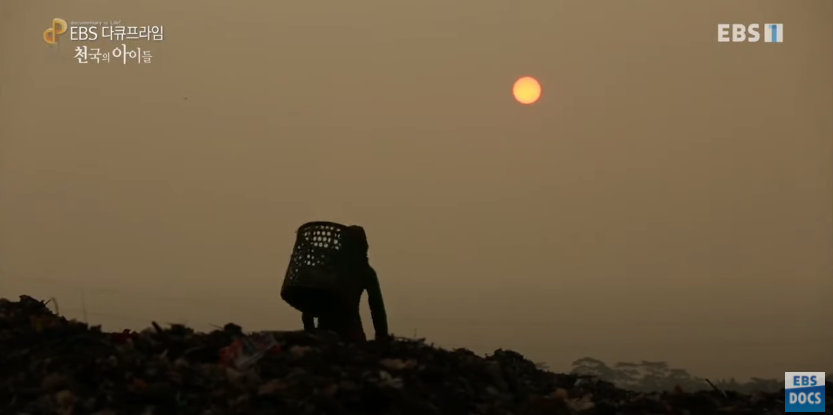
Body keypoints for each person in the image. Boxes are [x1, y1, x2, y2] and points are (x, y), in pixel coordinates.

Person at [302, 225, 389, 341]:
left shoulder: (328, 266)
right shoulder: (365, 271)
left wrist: (310, 329)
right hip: (350, 331)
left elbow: (309, 299)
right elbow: (377, 307)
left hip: (326, 331)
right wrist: (382, 336)